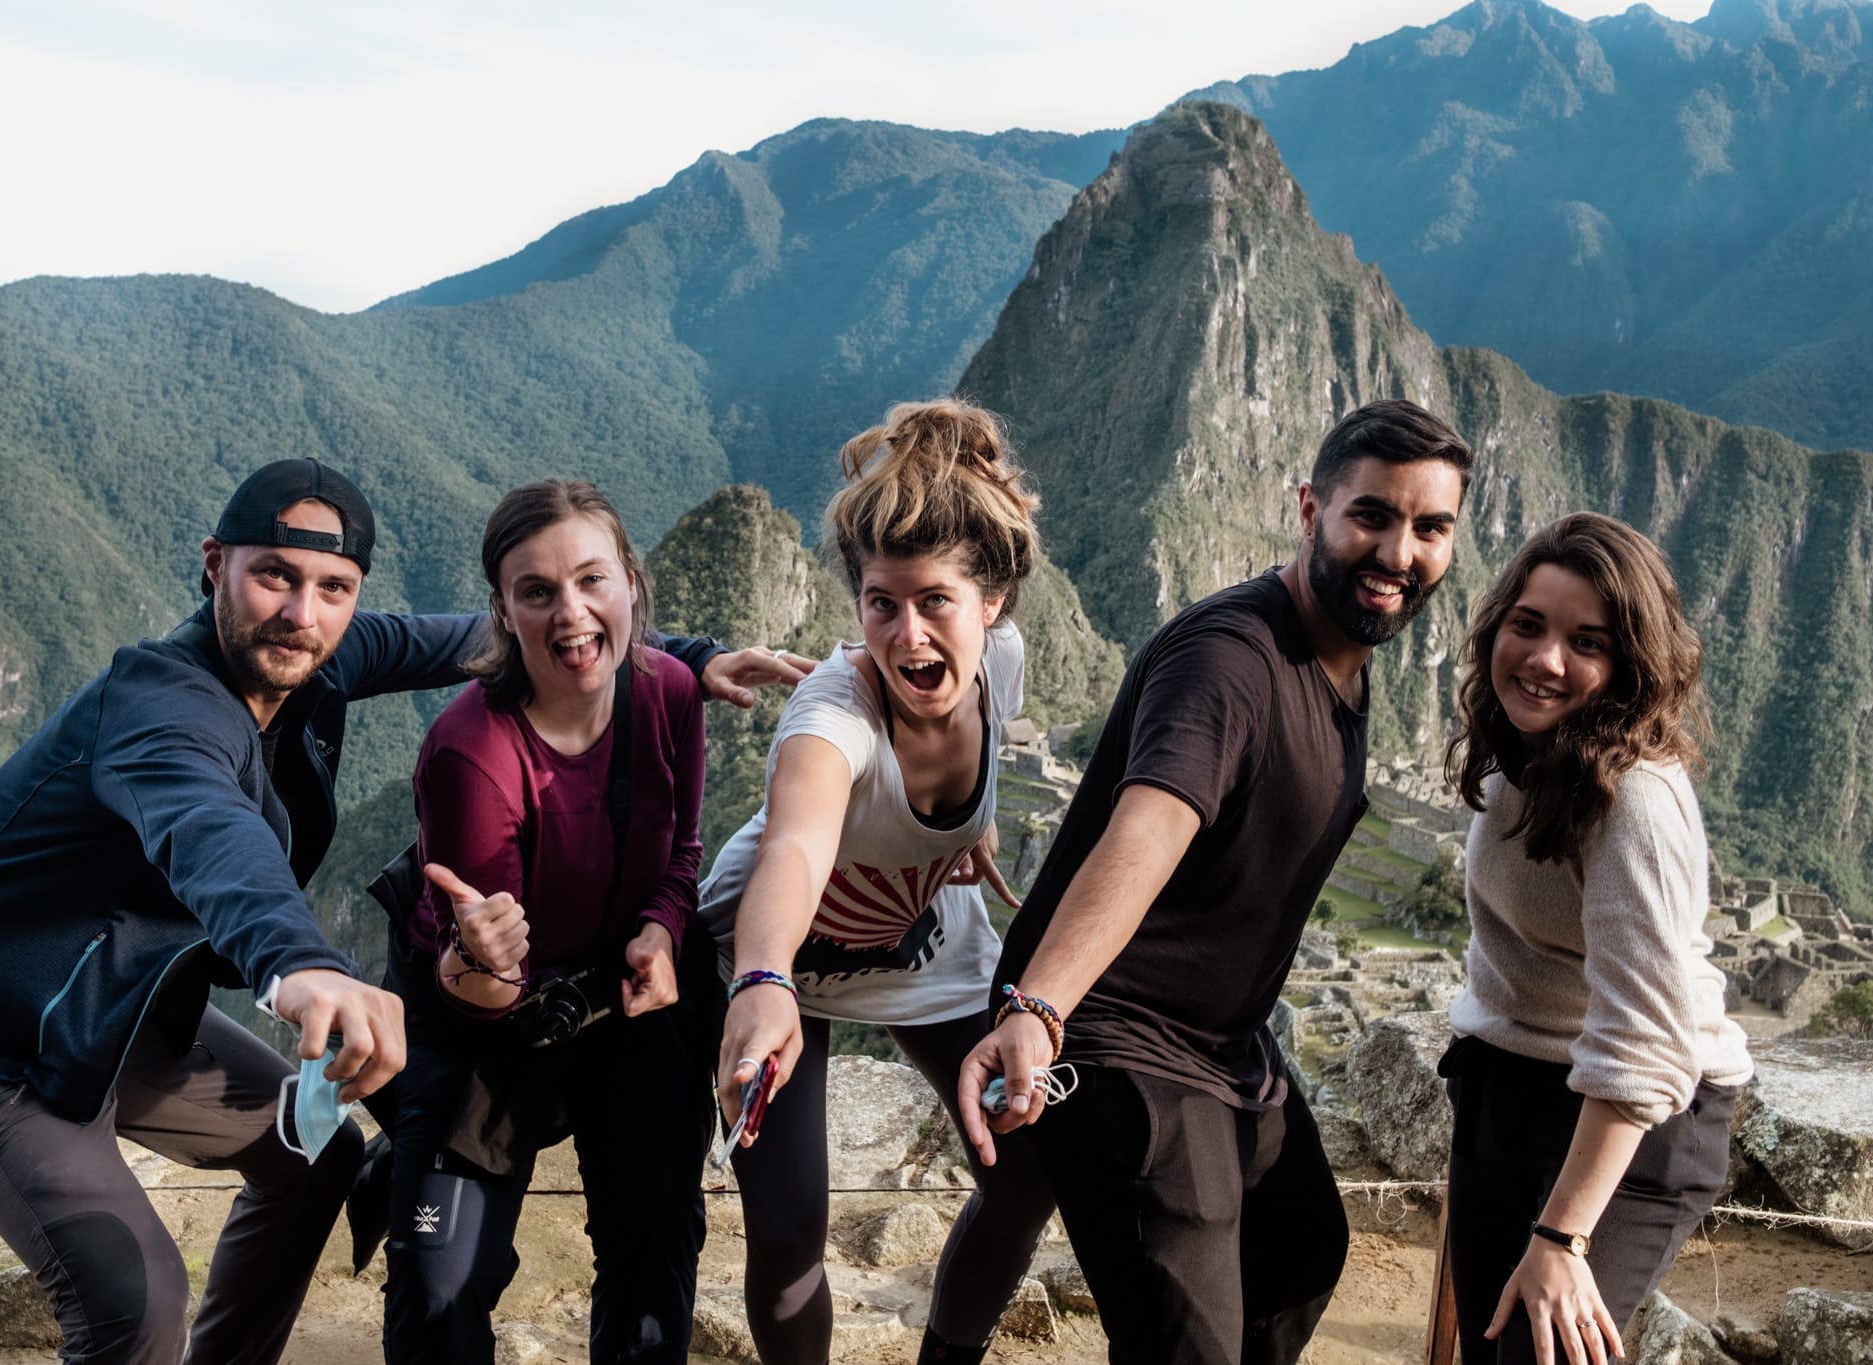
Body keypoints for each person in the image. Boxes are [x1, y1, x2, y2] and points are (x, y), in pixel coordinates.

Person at [0, 457, 806, 1365]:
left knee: (311, 1159)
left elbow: (512, 636)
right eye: (273, 575)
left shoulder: (325, 654)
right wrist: (302, 962)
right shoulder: (159, 710)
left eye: (332, 586)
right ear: (212, 565)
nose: (300, 612)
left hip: (126, 1013)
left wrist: (687, 655)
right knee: (134, 1296)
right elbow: (210, 833)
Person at [959, 398, 1474, 1365]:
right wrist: (1038, 1007)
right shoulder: (1230, 661)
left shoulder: (1348, 661)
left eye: (1430, 527)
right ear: (1310, 506)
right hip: (1113, 1034)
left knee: (1300, 1250)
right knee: (1184, 1335)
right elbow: (1148, 830)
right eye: (1372, 515)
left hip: (1223, 1042)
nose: (1399, 552)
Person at [709, 399, 1058, 1365]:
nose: (907, 638)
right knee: (787, 1233)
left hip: (920, 934)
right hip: (778, 960)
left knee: (1024, 1171)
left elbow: (962, 783)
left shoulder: (1002, 669)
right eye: (881, 603)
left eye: (935, 600)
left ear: (992, 604)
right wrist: (763, 980)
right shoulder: (831, 719)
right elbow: (796, 851)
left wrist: (961, 839)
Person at [371, 480, 710, 1364]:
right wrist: (480, 961)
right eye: (537, 591)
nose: (572, 613)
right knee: (437, 1290)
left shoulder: (670, 692)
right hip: (479, 1022)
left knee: (656, 1249)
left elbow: (684, 848)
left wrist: (665, 928)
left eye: (592, 580)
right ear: (503, 611)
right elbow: (483, 997)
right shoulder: (472, 753)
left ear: (631, 583)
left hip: (619, 997)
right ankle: (413, 1166)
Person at [1439, 512, 1751, 1365]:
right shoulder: (1523, 756)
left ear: (1628, 666)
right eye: (1528, 625)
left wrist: (1563, 1237)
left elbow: (1647, 1042)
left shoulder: (1633, 803)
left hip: (1636, 1114)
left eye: (1587, 641)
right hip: (1515, 1081)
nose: (1545, 659)